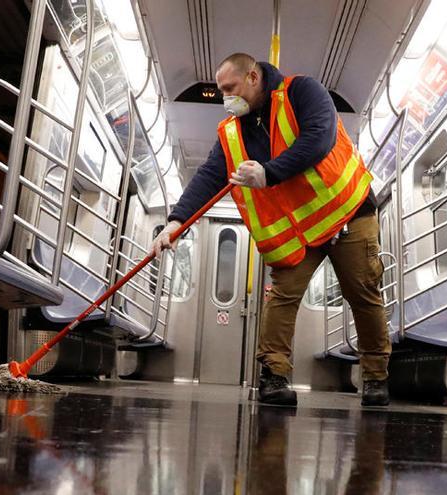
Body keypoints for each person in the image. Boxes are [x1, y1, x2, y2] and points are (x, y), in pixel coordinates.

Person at [152, 53, 390, 407]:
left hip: (348, 212)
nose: (225, 98)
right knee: (282, 296)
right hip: (300, 231)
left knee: (362, 293)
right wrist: (176, 222)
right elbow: (208, 176)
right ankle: (274, 376)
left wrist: (268, 172)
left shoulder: (303, 92)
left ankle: (375, 377)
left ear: (252, 76)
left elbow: (318, 140)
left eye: (230, 88)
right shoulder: (232, 132)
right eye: (220, 91)